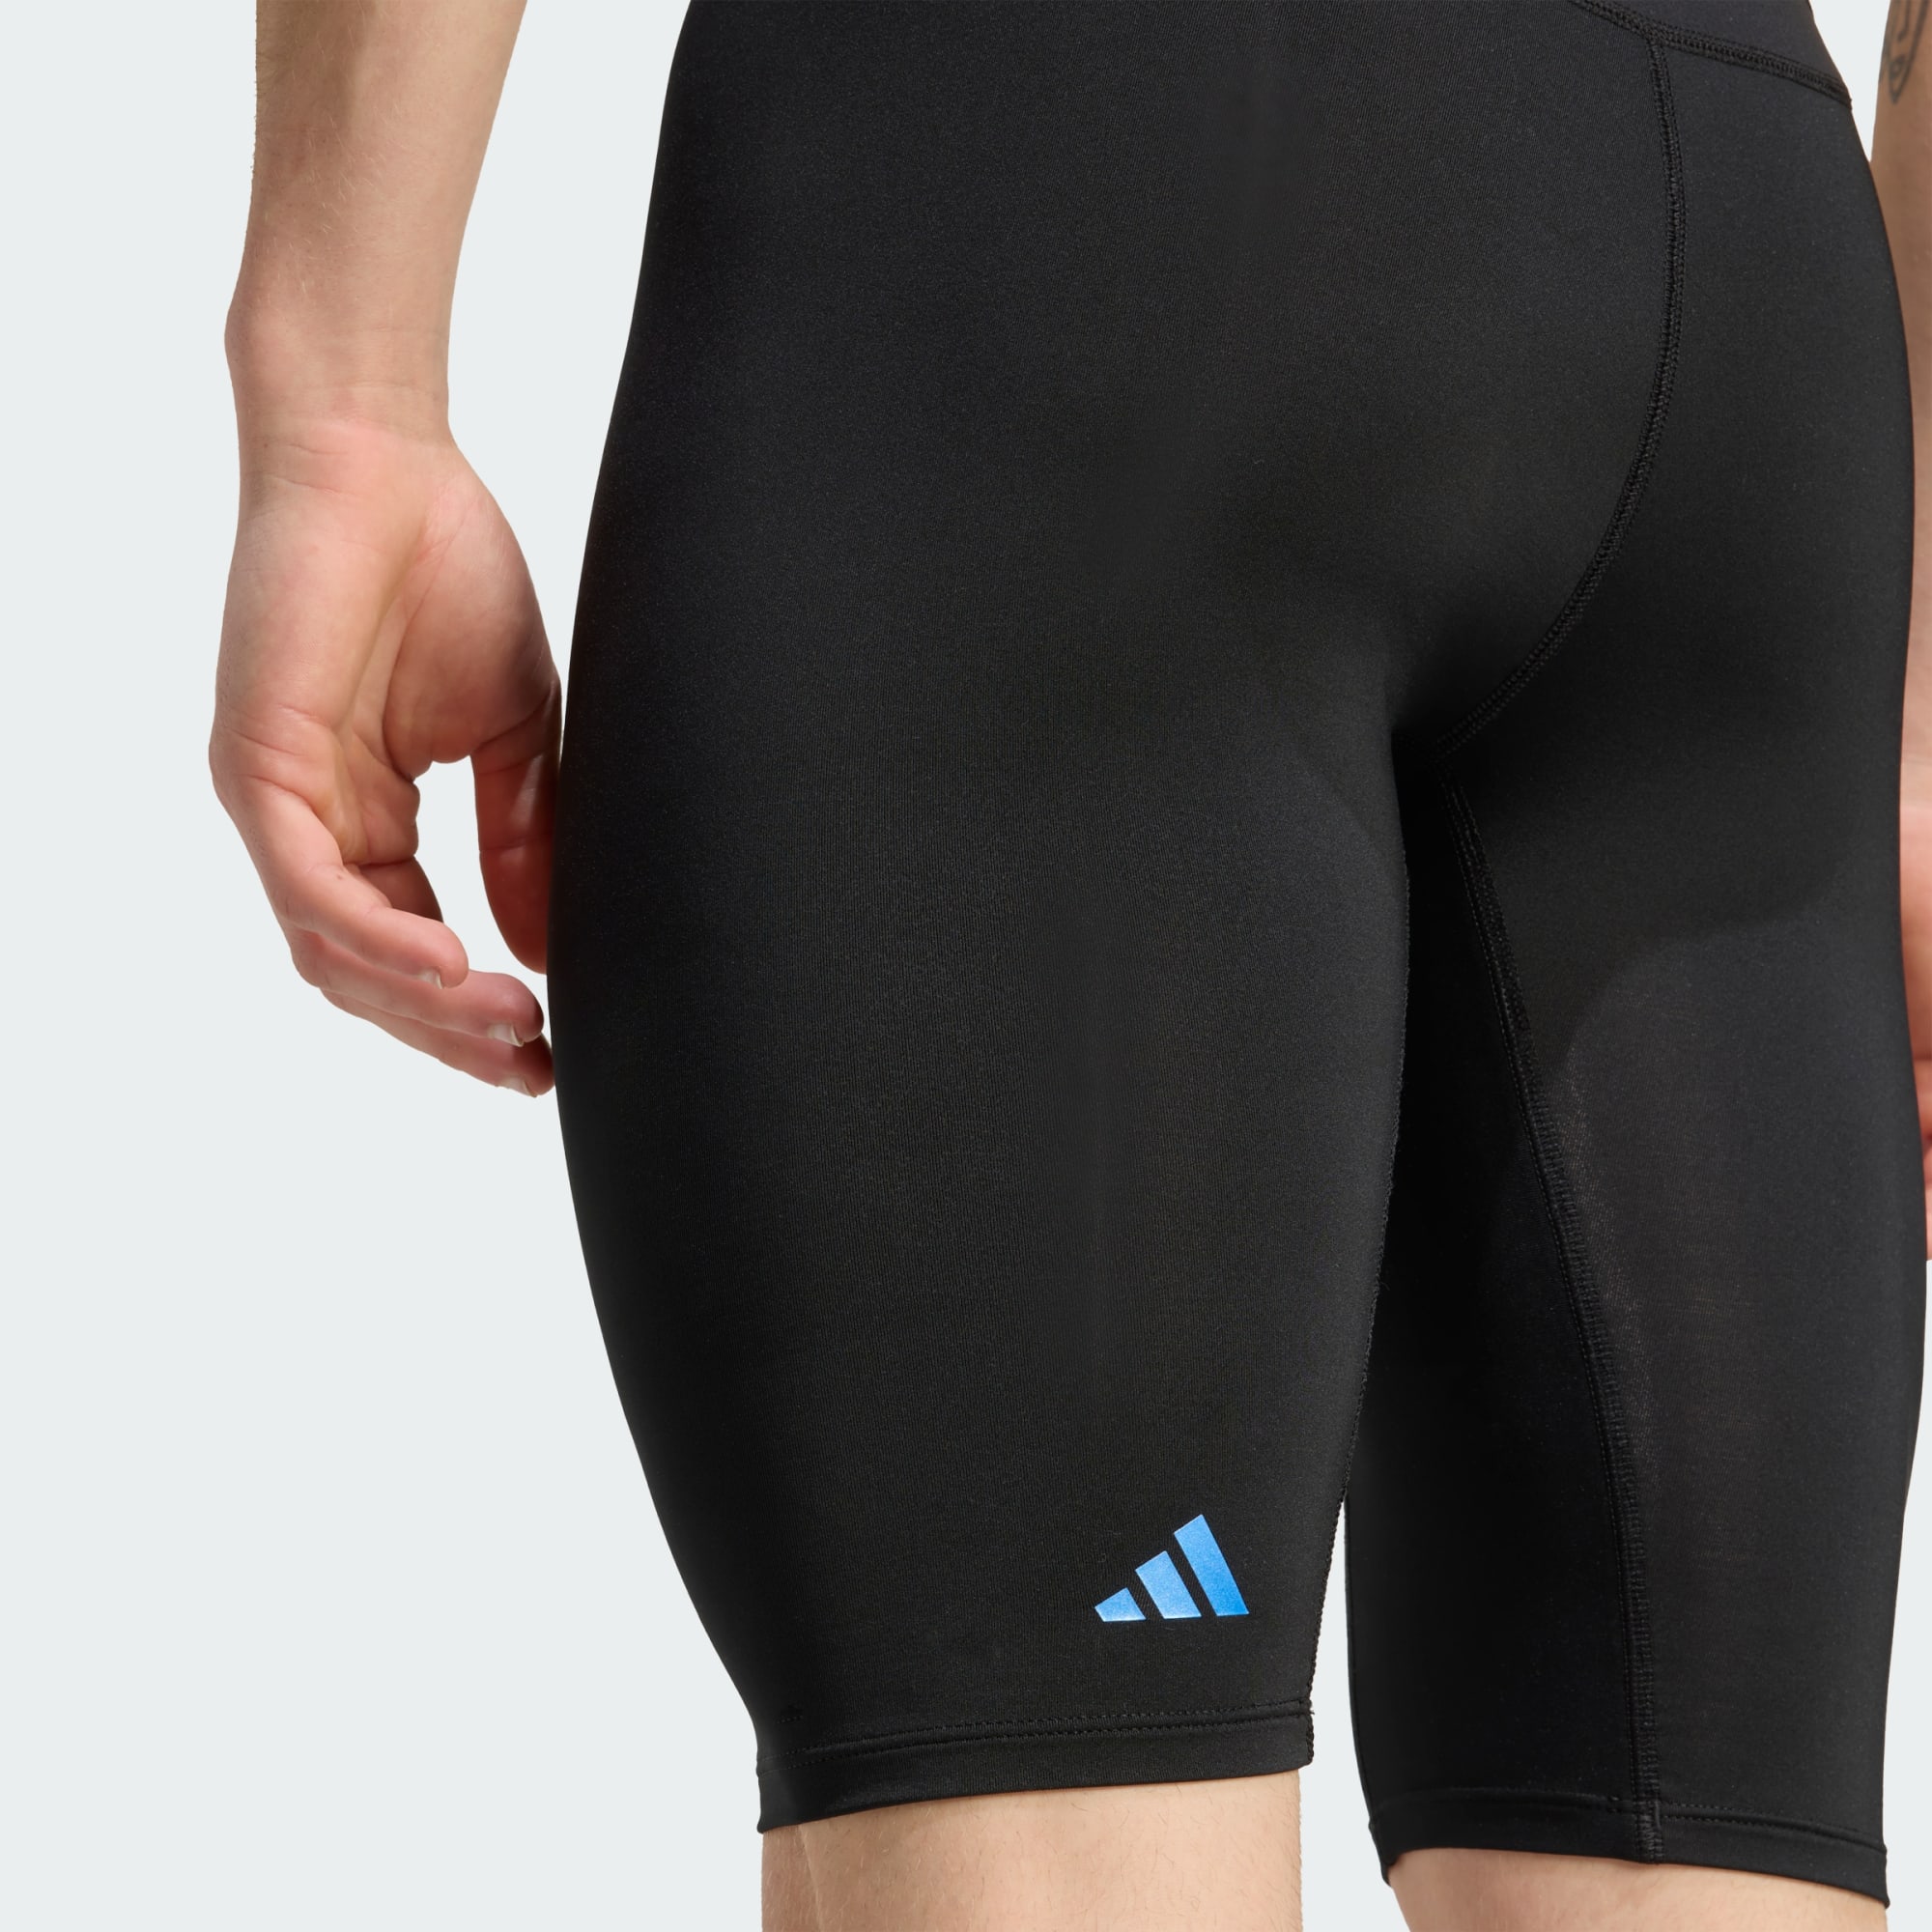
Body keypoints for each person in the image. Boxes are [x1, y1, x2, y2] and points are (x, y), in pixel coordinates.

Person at [211, 2, 1931, 1925]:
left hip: (1054, 214)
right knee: (1693, 1863)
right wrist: (1918, 681)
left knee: (1052, 1819)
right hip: (1736, 297)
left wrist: (343, 396)